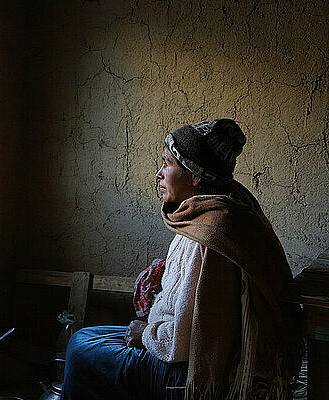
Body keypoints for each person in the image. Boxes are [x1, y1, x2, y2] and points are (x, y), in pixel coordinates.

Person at [61, 119, 305, 400]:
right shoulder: (226, 208)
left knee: (80, 347)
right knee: (93, 337)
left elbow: (183, 341)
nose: (158, 174)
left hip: (187, 372)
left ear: (195, 175)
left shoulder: (210, 233)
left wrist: (145, 333)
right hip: (183, 351)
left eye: (167, 164)